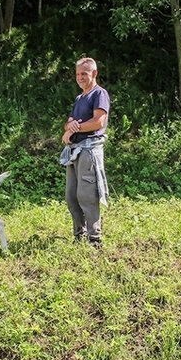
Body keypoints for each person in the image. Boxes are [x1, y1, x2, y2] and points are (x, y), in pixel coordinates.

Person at [60, 56, 111, 246]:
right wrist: (69, 128)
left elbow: (98, 122)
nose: (80, 77)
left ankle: (94, 238)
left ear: (94, 74)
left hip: (89, 150)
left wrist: (74, 129)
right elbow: (69, 122)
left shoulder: (99, 94)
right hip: (74, 150)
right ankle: (78, 235)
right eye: (78, 74)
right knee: (71, 196)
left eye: (85, 73)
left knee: (86, 194)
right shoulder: (79, 98)